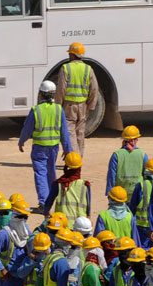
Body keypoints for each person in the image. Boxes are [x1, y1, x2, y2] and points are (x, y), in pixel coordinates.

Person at [19, 80, 72, 213]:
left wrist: (21, 141)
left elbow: (27, 129)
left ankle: (44, 203)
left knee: (40, 174)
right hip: (53, 148)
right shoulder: (59, 109)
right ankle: (51, 200)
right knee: (51, 173)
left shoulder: (36, 110)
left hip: (39, 148)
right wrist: (68, 150)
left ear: (41, 94)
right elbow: (64, 132)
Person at [54, 42, 98, 154]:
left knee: (70, 133)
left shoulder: (66, 68)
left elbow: (61, 89)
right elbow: (94, 89)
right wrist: (90, 105)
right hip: (83, 105)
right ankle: (79, 159)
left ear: (72, 55)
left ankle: (74, 159)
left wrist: (58, 105)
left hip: (69, 106)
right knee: (80, 133)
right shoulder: (88, 69)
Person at [105, 125, 148, 199]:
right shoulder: (143, 154)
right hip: (137, 193)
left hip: (120, 194)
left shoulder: (116, 154)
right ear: (134, 140)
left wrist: (109, 192)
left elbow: (111, 175)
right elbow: (146, 175)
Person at [51, 152, 90, 228]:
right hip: (80, 227)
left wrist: (46, 214)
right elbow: (88, 206)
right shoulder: (85, 185)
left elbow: (49, 202)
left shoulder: (58, 184)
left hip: (62, 226)